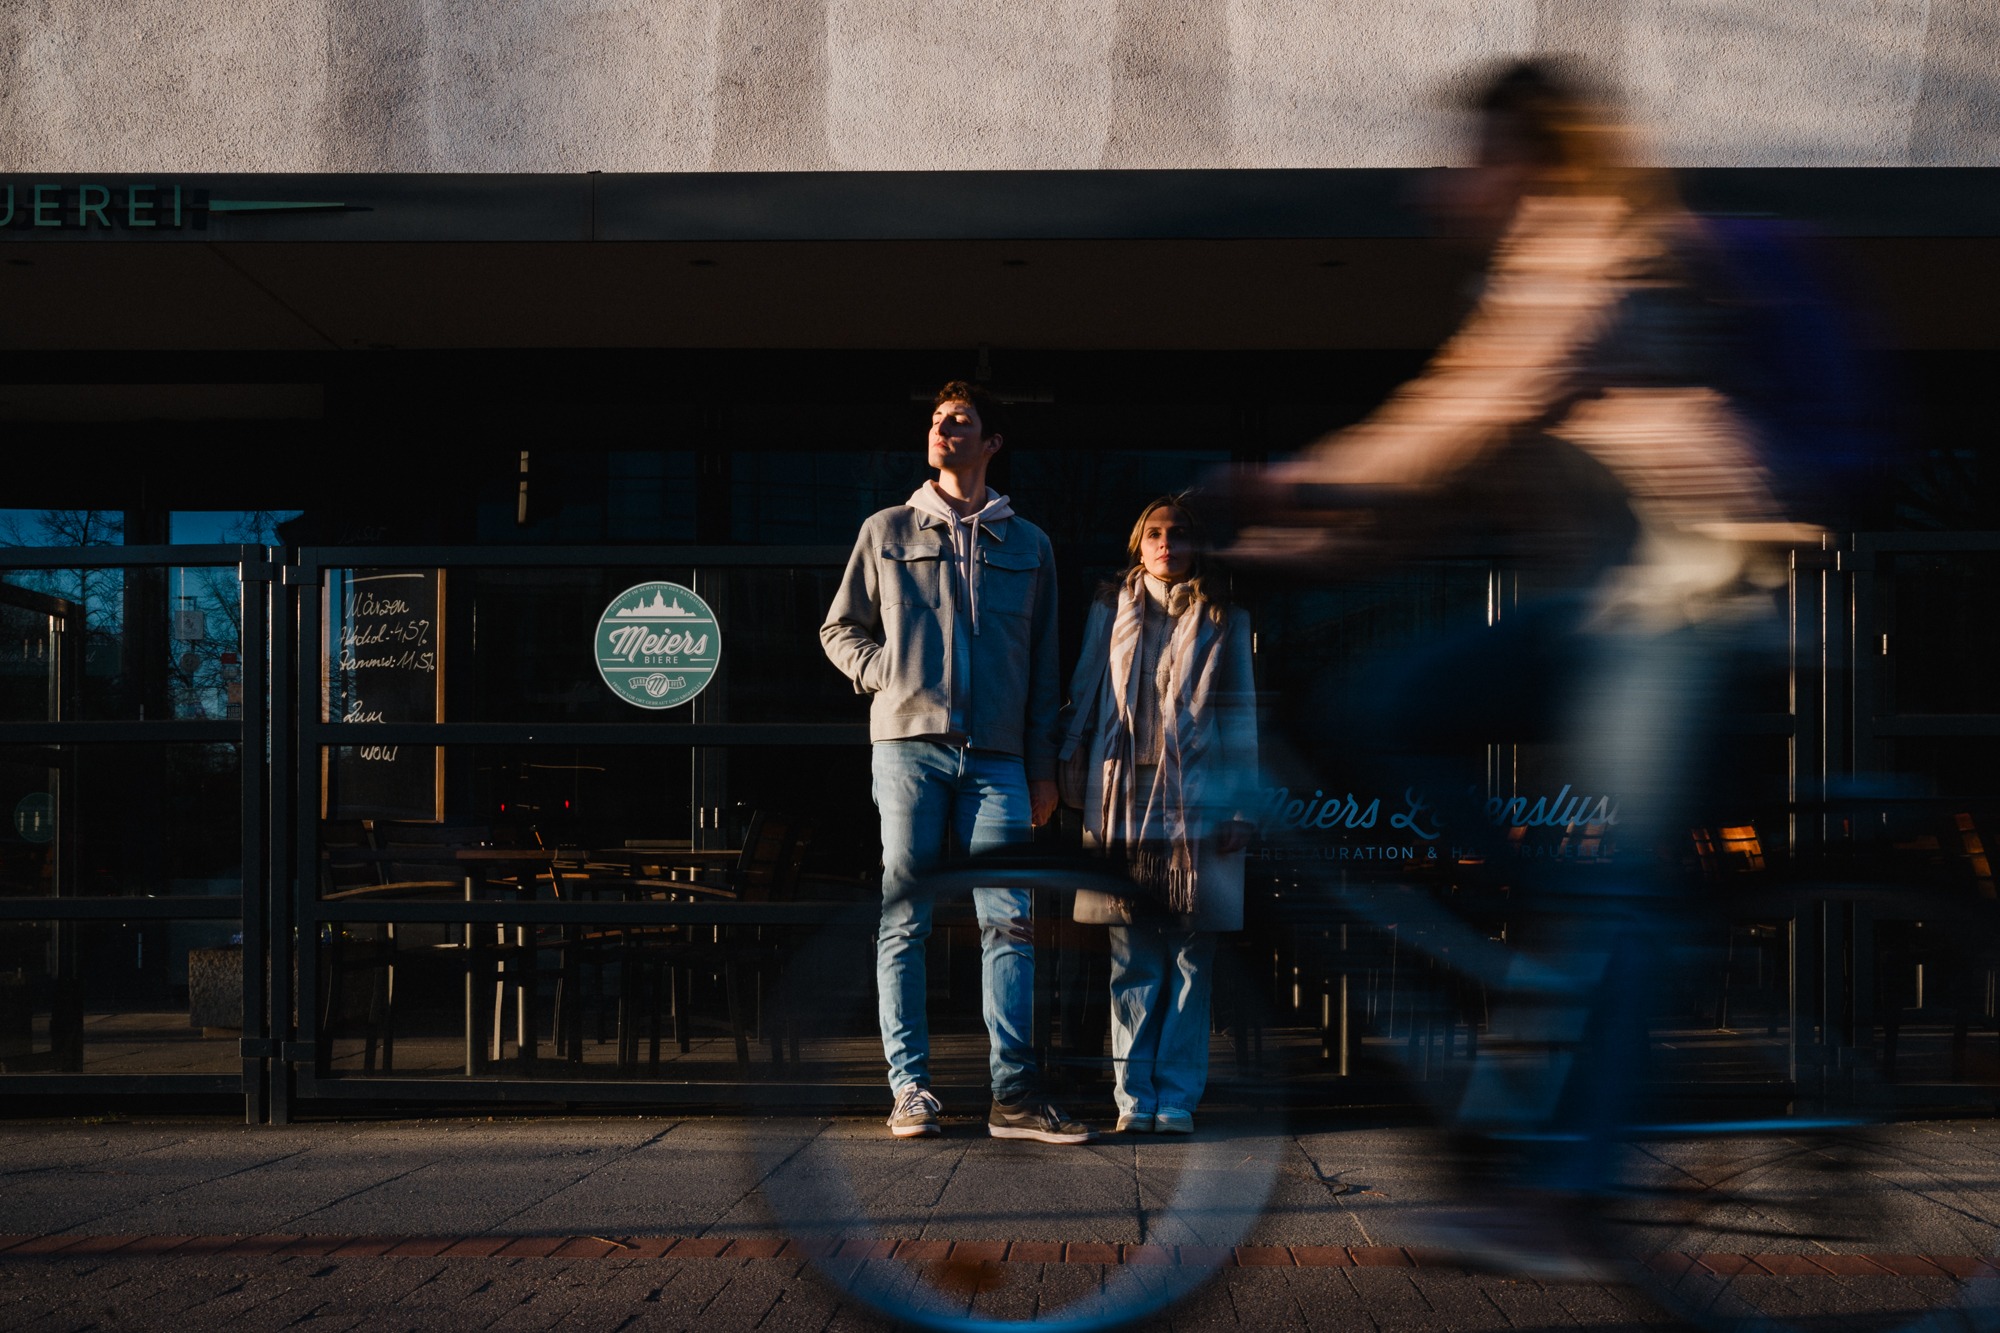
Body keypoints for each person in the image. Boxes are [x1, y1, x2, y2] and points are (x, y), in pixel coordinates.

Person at [820, 380, 1089, 1144]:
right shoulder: (887, 529)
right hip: (907, 749)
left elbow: (1044, 665)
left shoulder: (1028, 544)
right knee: (904, 918)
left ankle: (1016, 1097)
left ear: (991, 442)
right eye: (938, 422)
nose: (944, 431)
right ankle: (909, 1088)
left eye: (961, 422)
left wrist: (1042, 767)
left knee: (1008, 922)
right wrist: (887, 673)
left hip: (1000, 759)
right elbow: (839, 629)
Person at [1060, 496, 1257, 1135]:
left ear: (1195, 545)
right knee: (1132, 952)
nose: (1165, 543)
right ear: (1138, 544)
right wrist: (1063, 768)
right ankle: (1132, 1097)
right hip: (1121, 796)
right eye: (1154, 533)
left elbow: (1240, 715)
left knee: (1192, 956)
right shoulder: (1107, 608)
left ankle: (1176, 1097)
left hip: (1199, 798)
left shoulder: (1225, 615)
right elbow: (1086, 691)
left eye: (1177, 533)